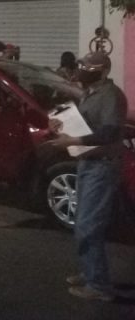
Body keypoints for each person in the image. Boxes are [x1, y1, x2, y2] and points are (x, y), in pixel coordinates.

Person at [51, 51, 127, 302]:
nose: (82, 70)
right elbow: (84, 124)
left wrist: (74, 141)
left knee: (88, 225)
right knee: (83, 222)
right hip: (88, 162)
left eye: (88, 67)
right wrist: (59, 125)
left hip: (102, 166)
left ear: (103, 71)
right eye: (81, 65)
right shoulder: (90, 93)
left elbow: (108, 133)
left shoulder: (111, 96)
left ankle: (99, 286)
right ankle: (90, 272)